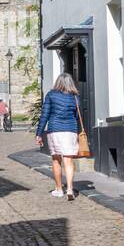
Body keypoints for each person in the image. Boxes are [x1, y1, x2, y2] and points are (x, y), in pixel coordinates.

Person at [35, 72, 81, 201]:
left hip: (55, 129)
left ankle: (59, 189)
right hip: (71, 130)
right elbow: (77, 116)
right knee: (68, 160)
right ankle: (70, 189)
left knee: (56, 160)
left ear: (57, 82)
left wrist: (39, 133)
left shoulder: (51, 95)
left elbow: (45, 115)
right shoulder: (75, 97)